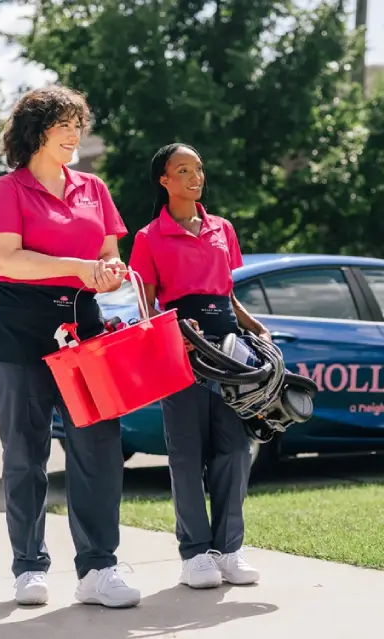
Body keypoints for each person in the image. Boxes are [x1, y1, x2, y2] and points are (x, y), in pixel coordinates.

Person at [0, 85, 140, 609]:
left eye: (77, 124)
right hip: (15, 327)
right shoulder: (9, 190)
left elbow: (108, 255)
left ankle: (98, 569)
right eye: (64, 124)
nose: (74, 134)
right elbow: (6, 261)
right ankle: (29, 567)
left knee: (98, 448)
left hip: (82, 325)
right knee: (25, 453)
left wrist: (111, 272)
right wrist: (77, 267)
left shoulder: (93, 188)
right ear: (36, 131)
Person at [128, 143, 271, 589]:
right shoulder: (148, 238)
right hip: (181, 353)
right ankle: (195, 556)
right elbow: (144, 305)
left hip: (230, 353)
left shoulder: (222, 229)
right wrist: (173, 336)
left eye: (199, 169)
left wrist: (257, 329)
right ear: (164, 180)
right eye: (183, 170)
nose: (195, 177)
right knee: (187, 455)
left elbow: (225, 294)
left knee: (234, 449)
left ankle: (228, 550)